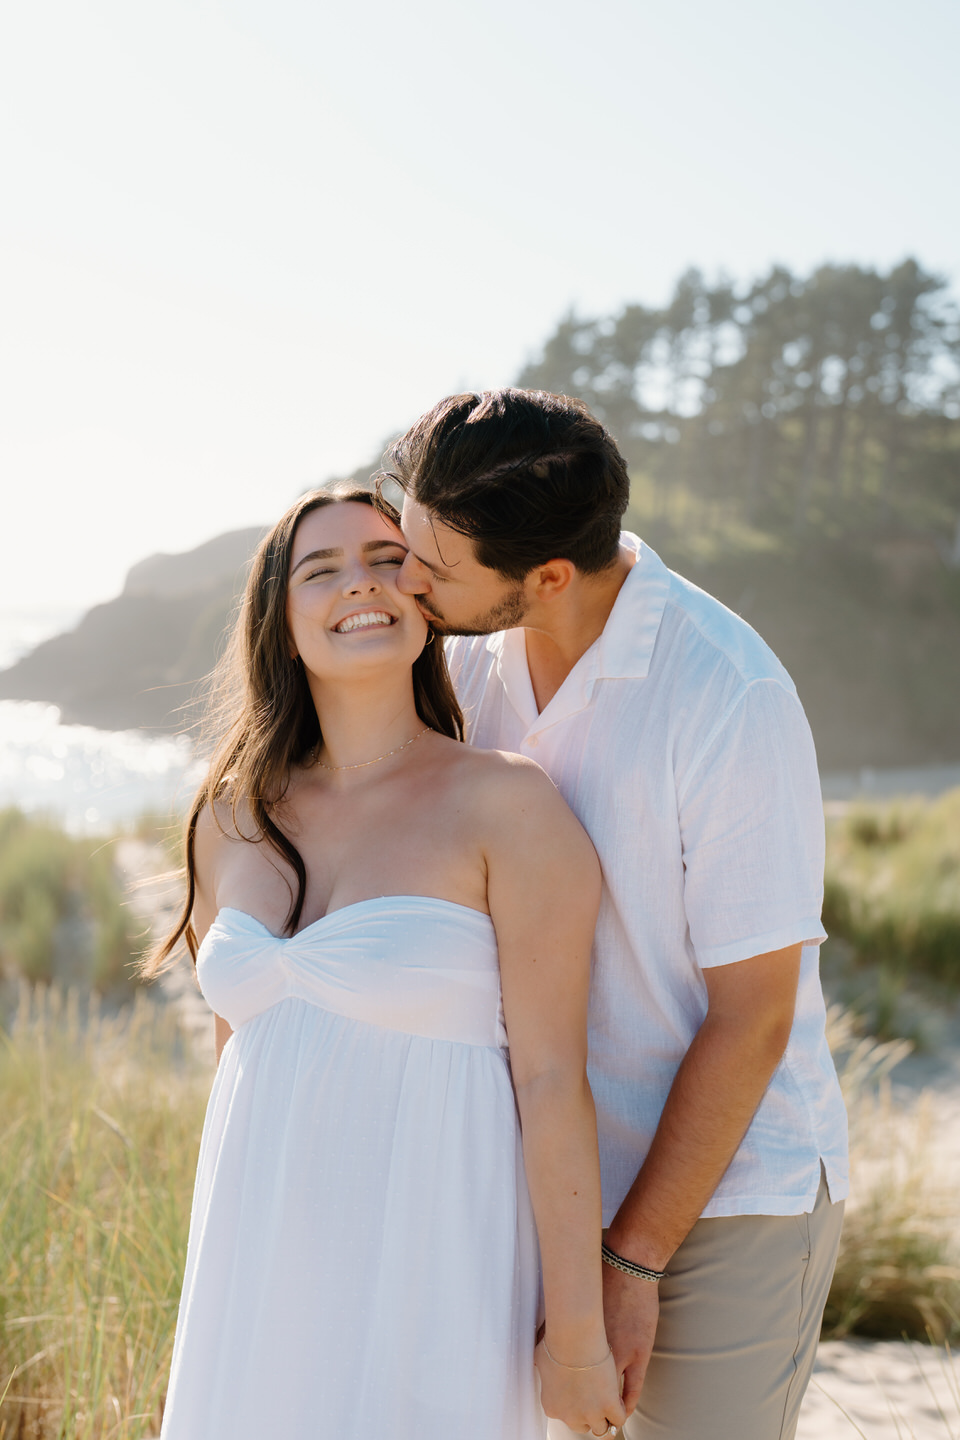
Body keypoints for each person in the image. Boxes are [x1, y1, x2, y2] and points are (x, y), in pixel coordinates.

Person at [386, 388, 849, 1440]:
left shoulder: (727, 694)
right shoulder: (457, 663)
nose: (408, 579)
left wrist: (631, 1262)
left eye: (436, 566)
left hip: (726, 1198)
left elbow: (754, 1019)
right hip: (536, 1182)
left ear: (547, 578)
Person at [145, 486, 626, 1440]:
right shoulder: (226, 818)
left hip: (435, 1256)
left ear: (425, 600)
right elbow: (240, 1059)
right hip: (266, 1266)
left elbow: (550, 1080)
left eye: (383, 559)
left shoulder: (508, 805)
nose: (360, 584)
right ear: (279, 624)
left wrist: (576, 1333)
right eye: (320, 570)